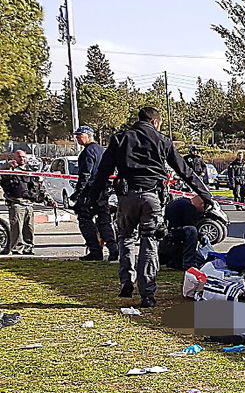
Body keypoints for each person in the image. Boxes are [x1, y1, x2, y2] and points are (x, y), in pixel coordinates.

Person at [82, 106, 213, 308]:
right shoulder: (163, 140)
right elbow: (185, 171)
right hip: (153, 196)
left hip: (127, 196)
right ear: (155, 122)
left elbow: (103, 171)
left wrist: (92, 197)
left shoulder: (119, 138)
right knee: (149, 242)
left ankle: (127, 281)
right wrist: (205, 195)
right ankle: (148, 293)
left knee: (125, 238)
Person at [72, 127, 118, 261]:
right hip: (103, 191)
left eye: (80, 136)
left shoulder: (88, 152)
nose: (77, 138)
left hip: (90, 192)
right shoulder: (103, 151)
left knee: (85, 220)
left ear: (89, 136)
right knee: (104, 221)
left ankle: (95, 250)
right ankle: (113, 249)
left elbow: (85, 175)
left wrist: (78, 194)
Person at [1, 150, 58, 256]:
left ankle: (28, 248)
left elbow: (40, 188)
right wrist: (6, 166)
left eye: (23, 157)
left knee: (29, 228)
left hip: (29, 204)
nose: (21, 159)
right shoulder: (9, 170)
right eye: (19, 157)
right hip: (16, 203)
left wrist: (50, 201)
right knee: (17, 228)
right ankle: (17, 250)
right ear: (14, 157)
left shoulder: (30, 171)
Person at [159, 195, 210, 271]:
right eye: (203, 209)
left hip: (170, 234)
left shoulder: (181, 202)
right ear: (201, 204)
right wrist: (200, 236)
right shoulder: (189, 207)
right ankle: (188, 263)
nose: (201, 212)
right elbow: (190, 225)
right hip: (175, 234)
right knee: (192, 231)